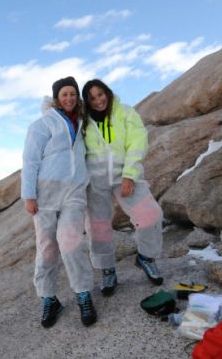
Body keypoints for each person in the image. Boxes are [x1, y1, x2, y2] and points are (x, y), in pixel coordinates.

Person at [21, 76, 97, 328]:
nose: (69, 98)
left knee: (71, 242)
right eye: (65, 94)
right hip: (45, 196)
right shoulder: (42, 125)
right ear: (56, 97)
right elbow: (30, 161)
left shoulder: (83, 121)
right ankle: (49, 298)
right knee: (47, 248)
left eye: (73, 94)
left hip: (74, 193)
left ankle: (83, 293)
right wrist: (29, 195)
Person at [82, 79, 164, 296]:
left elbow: (137, 142)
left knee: (151, 215)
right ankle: (107, 269)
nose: (99, 100)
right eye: (92, 98)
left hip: (123, 175)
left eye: (101, 94)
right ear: (87, 102)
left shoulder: (125, 113)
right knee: (96, 227)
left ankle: (145, 257)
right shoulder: (84, 122)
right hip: (95, 181)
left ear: (107, 93)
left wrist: (129, 174)